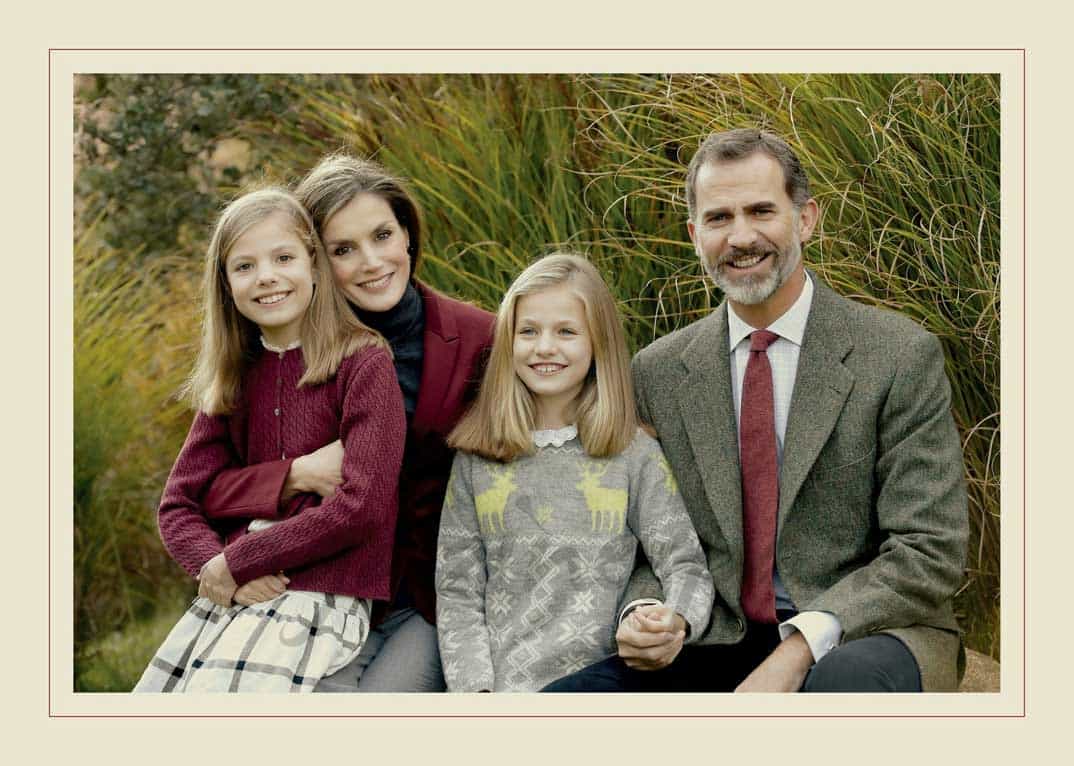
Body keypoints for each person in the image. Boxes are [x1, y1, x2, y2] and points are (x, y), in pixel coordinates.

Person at [544, 128, 968, 693]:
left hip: (868, 632)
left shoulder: (896, 355)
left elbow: (929, 549)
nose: (741, 236)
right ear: (695, 235)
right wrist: (645, 612)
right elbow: (649, 539)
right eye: (719, 218)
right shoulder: (658, 371)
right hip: (715, 632)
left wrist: (797, 651)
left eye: (762, 211)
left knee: (839, 690)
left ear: (806, 219)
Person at [194, 155, 495, 692]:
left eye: (383, 235)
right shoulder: (277, 355)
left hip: (430, 596)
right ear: (314, 260)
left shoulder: (480, 339)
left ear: (408, 235)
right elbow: (200, 489)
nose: (372, 261)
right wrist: (294, 474)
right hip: (309, 592)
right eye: (343, 250)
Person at [134, 188, 406, 692]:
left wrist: (237, 560)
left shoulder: (363, 364)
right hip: (244, 594)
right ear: (225, 285)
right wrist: (222, 574)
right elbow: (178, 505)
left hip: (324, 596)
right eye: (245, 266)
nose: (266, 276)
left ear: (315, 265)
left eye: (283, 257)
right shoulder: (235, 377)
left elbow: (361, 507)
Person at [435, 253, 713, 692]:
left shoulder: (632, 453)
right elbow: (458, 594)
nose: (545, 347)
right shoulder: (477, 459)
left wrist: (671, 620)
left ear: (597, 343)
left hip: (600, 684)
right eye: (528, 331)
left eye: (566, 332)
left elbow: (685, 564)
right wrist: (477, 696)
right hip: (502, 693)